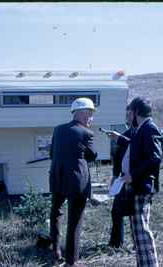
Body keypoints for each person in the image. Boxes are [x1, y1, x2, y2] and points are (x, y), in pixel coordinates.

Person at [108, 97, 162, 267]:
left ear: (137, 112)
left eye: (130, 112)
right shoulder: (141, 129)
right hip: (135, 187)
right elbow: (135, 146)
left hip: (140, 186)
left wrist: (133, 175)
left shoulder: (149, 128)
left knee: (142, 231)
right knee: (137, 233)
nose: (128, 115)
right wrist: (120, 139)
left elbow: (155, 158)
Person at [49, 97, 98, 267]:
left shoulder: (58, 130)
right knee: (75, 220)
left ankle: (55, 250)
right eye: (90, 115)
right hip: (77, 181)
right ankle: (71, 261)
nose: (91, 119)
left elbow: (51, 154)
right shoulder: (87, 133)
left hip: (57, 178)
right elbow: (91, 156)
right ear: (84, 114)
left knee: (55, 212)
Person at [107, 104, 136, 249]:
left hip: (136, 179)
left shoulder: (141, 134)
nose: (128, 117)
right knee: (116, 211)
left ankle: (138, 244)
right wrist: (114, 175)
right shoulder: (127, 133)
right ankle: (116, 244)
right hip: (123, 178)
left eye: (130, 114)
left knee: (135, 215)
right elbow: (118, 156)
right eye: (127, 114)